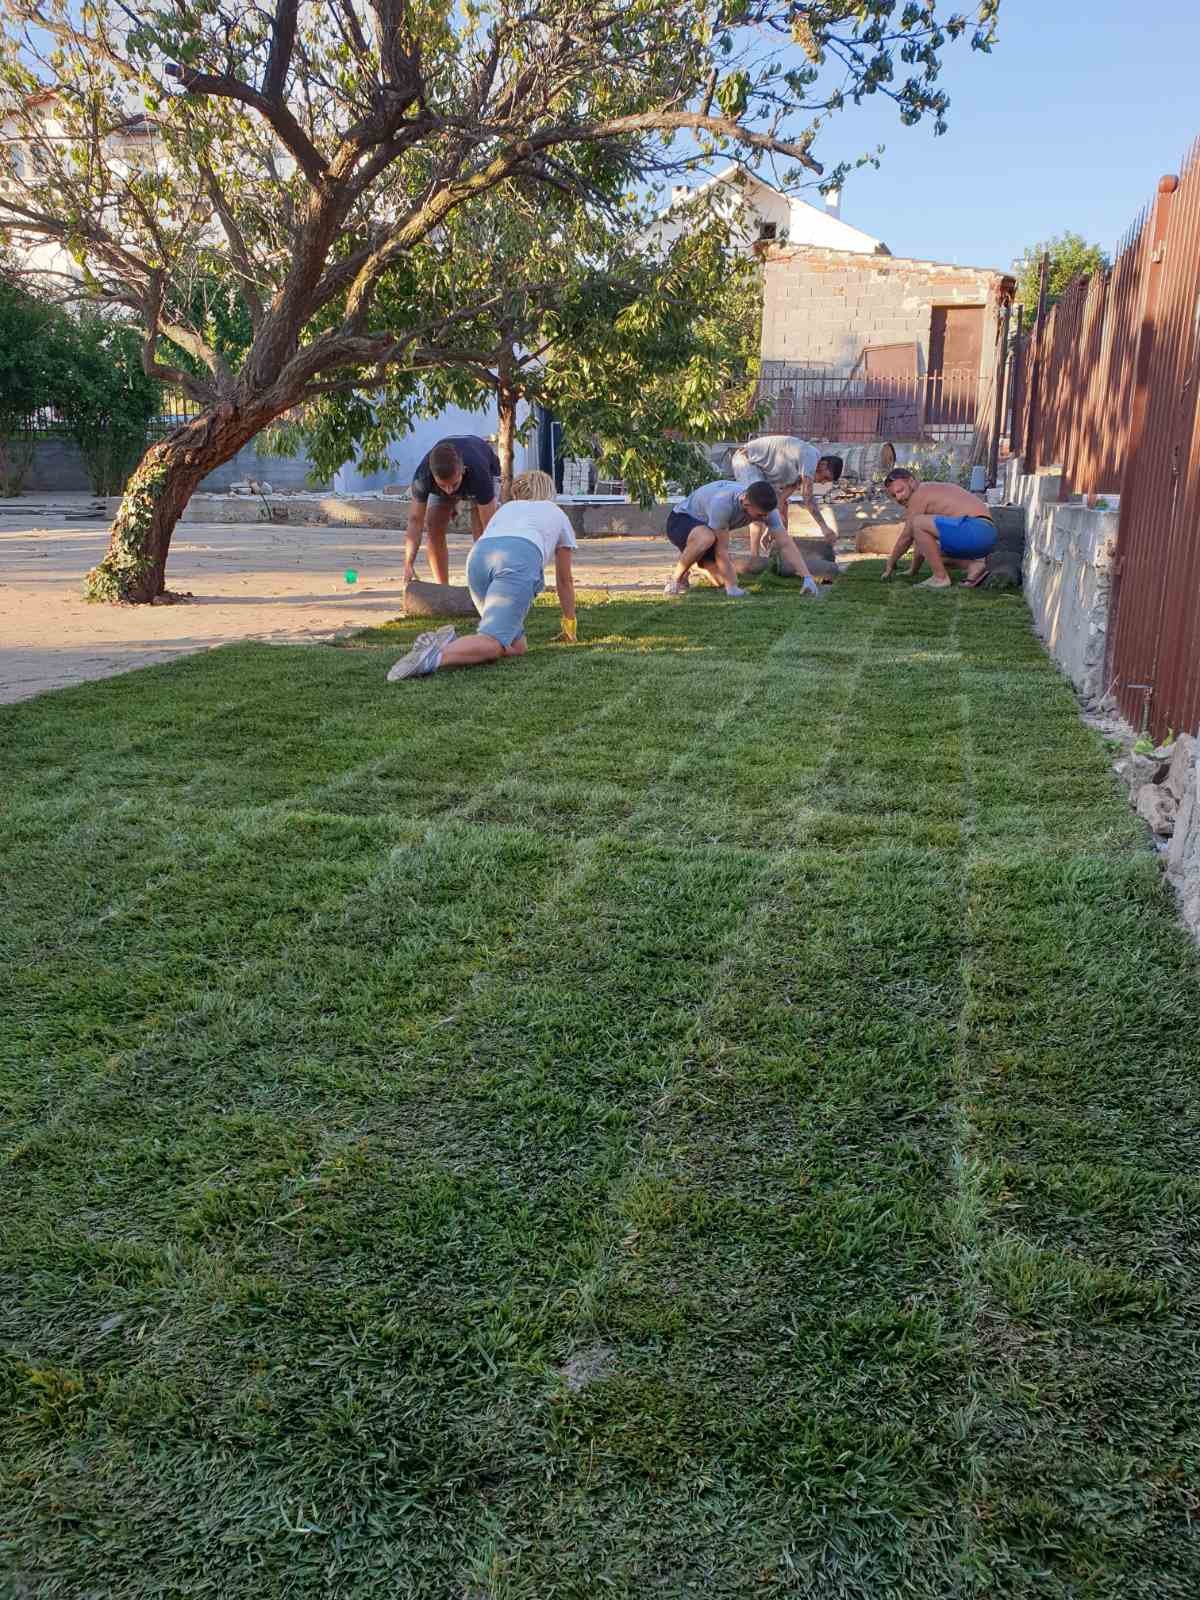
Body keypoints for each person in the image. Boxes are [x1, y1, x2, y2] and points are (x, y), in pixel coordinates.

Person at [387, 470, 576, 680]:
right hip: (517, 559)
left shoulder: (507, 508)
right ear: (549, 491)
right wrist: (570, 625)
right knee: (493, 641)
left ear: (518, 492)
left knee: (517, 646)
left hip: (478, 558)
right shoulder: (556, 512)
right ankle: (435, 657)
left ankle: (451, 645)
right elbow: (564, 580)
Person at [663, 478, 818, 598]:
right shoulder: (722, 504)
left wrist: (807, 577)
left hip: (707, 530)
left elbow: (786, 544)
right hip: (681, 521)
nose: (764, 519)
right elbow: (721, 550)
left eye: (766, 515)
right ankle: (674, 580)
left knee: (720, 581)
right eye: (760, 515)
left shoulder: (767, 510)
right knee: (706, 539)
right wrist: (732, 587)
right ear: (746, 503)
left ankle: (694, 562)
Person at [402, 435, 501, 587]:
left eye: (454, 485)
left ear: (463, 471)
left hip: (484, 468)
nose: (449, 491)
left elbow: (490, 527)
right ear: (433, 475)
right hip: (451, 478)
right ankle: (443, 587)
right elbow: (415, 520)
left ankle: (485, 583)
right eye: (443, 485)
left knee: (481, 531)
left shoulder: (479, 474)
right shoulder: (423, 477)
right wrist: (408, 564)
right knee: (433, 525)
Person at [880, 469, 996, 589]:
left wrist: (890, 563)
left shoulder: (919, 493)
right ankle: (974, 565)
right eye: (894, 495)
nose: (898, 498)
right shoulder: (929, 490)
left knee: (918, 522)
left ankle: (940, 578)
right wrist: (913, 570)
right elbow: (920, 541)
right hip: (986, 534)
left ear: (911, 482)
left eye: (900, 490)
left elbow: (907, 536)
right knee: (932, 551)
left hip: (975, 529)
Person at [730, 435, 844, 559]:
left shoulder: (804, 467)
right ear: (823, 465)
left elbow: (780, 501)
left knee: (783, 507)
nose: (823, 482)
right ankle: (754, 558)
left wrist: (770, 529)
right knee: (758, 504)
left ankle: (781, 555)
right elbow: (808, 498)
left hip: (761, 470)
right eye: (826, 478)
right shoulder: (810, 457)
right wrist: (825, 528)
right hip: (746, 460)